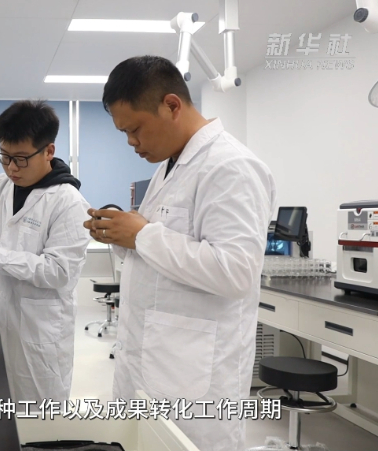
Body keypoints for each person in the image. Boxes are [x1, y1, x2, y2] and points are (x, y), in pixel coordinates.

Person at [83, 56, 277, 451]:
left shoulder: (231, 166)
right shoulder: (169, 165)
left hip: (193, 381)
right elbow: (161, 258)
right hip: (151, 364)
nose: (131, 142)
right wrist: (122, 237)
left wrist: (142, 235)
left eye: (135, 129)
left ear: (171, 105)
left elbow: (236, 272)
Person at [0, 99, 90, 404]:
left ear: (48, 151)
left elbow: (59, 272)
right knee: (3, 409)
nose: (11, 167)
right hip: (2, 319)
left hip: (40, 333)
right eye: (5, 156)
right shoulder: (0, 186)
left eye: (21, 159)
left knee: (41, 417)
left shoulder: (68, 202)